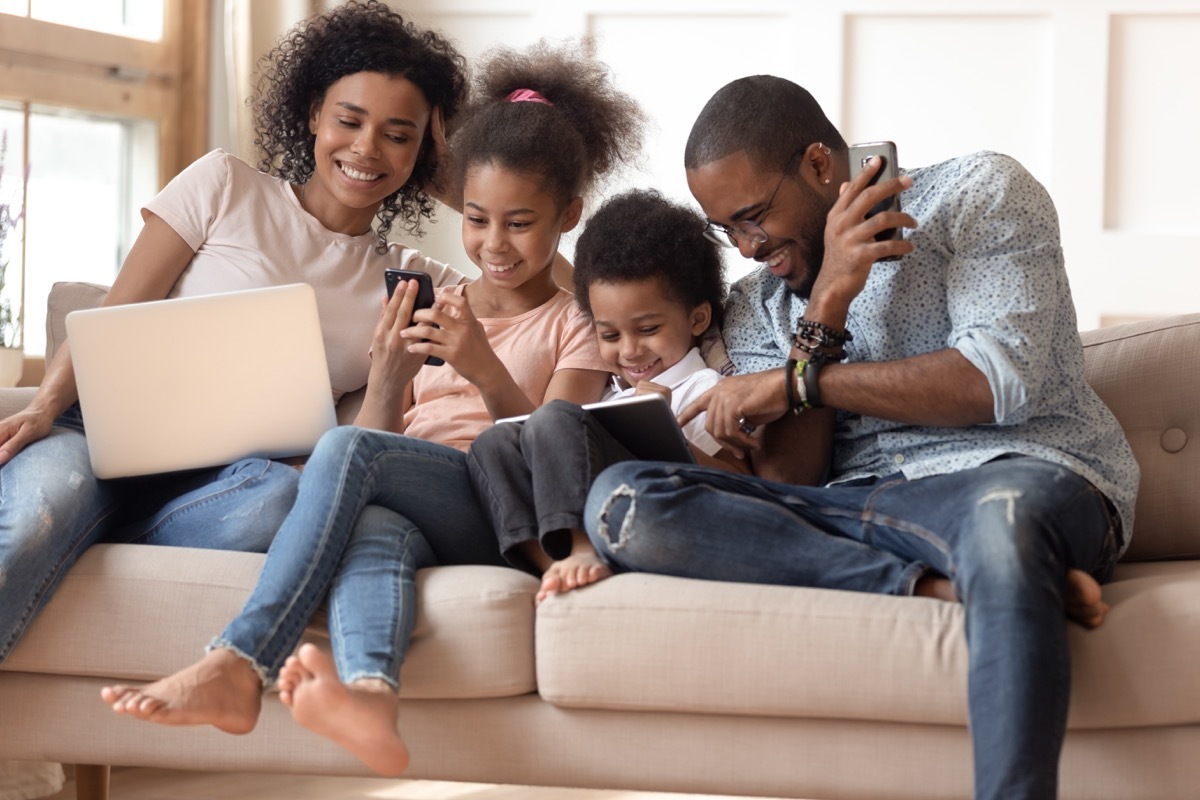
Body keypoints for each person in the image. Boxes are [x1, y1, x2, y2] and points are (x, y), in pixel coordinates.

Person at [581, 75, 1139, 800]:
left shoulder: (979, 193)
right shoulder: (761, 303)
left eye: (755, 216)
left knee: (1001, 523)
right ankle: (950, 585)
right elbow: (789, 483)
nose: (749, 249)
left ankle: (999, 579)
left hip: (1017, 473)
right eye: (729, 230)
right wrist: (828, 301)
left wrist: (798, 382)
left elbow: (994, 382)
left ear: (819, 165)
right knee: (621, 502)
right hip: (860, 511)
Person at [99, 38, 645, 778]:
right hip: (426, 497)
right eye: (477, 219)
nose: (493, 243)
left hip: (500, 504)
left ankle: (238, 661)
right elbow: (391, 438)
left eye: (520, 223)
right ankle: (371, 699)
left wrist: (483, 367)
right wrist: (388, 378)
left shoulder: (576, 321)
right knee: (376, 533)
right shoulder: (436, 296)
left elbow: (554, 447)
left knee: (344, 448)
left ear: (567, 216)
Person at [0, 0, 469, 665]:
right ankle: (85, 518)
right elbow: (113, 310)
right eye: (349, 120)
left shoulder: (411, 279)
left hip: (230, 486)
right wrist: (46, 405)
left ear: (426, 146)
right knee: (35, 519)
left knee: (278, 501)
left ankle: (110, 532)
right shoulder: (224, 184)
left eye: (399, 134)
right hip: (96, 438)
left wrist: (457, 176)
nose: (367, 148)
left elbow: (558, 296)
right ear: (312, 114)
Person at [468, 188, 750, 605]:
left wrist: (671, 434)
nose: (630, 350)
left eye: (648, 329)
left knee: (556, 416)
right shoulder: (608, 392)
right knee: (493, 442)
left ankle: (582, 549)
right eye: (610, 335)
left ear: (697, 318)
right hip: (605, 498)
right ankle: (553, 566)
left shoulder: (709, 390)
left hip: (662, 507)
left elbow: (745, 485)